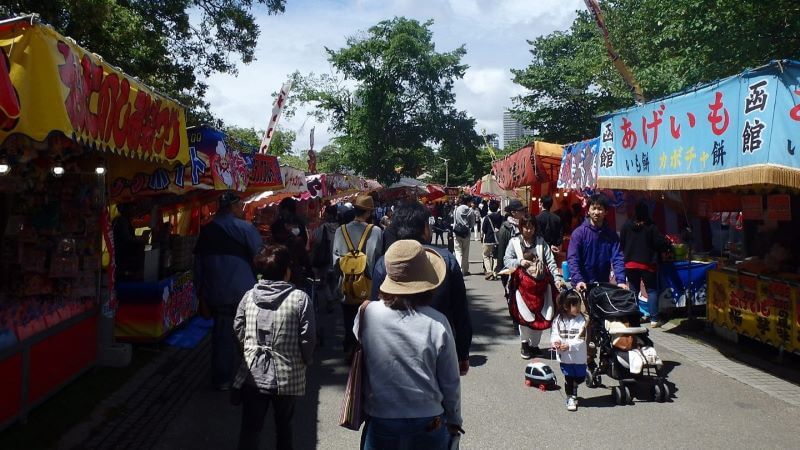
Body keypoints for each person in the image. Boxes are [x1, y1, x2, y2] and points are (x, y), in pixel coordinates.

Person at [357, 240, 463, 449]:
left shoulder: (367, 313)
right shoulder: (438, 321)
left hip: (381, 415)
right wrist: (454, 420)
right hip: (428, 417)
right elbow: (450, 381)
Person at [370, 202, 472, 376]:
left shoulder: (384, 262)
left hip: (394, 350)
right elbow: (460, 312)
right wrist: (462, 353)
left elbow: (374, 311)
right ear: (425, 228)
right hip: (437, 348)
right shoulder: (446, 260)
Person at [233, 244, 316, 450]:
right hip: (287, 373)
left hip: (253, 373)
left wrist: (247, 352)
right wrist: (305, 359)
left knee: (250, 429)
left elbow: (238, 329)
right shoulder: (300, 299)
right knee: (284, 427)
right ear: (287, 271)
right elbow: (308, 338)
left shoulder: (248, 296)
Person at [194, 192, 263, 390]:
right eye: (240, 205)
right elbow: (260, 257)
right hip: (244, 290)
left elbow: (197, 265)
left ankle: (222, 379)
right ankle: (253, 375)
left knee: (222, 335)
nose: (242, 209)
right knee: (249, 333)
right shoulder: (245, 228)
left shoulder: (206, 231)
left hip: (216, 292)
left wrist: (200, 292)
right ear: (233, 207)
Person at [504, 215, 565, 359]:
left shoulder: (541, 242)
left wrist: (557, 278)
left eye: (531, 227)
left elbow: (550, 261)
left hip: (541, 286)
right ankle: (525, 344)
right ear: (521, 227)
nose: (528, 230)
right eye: (526, 226)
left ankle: (534, 345)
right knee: (524, 317)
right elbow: (507, 260)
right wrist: (520, 261)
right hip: (522, 287)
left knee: (543, 315)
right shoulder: (514, 242)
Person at [333, 194, 384, 359]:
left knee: (348, 319)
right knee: (367, 321)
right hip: (369, 286)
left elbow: (335, 262)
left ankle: (349, 347)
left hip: (346, 285)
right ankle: (365, 352)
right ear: (368, 213)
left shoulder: (340, 231)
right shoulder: (376, 231)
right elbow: (379, 261)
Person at [620, 199, 671, 327]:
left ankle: (633, 318)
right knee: (652, 290)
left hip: (630, 263)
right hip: (647, 263)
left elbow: (622, 242)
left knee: (633, 290)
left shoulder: (626, 225)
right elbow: (660, 243)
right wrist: (668, 244)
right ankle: (654, 319)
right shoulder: (651, 226)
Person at [567, 193, 627, 293]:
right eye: (593, 208)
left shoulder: (611, 234)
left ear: (606, 212)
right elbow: (573, 258)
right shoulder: (579, 233)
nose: (596, 212)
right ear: (588, 211)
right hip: (583, 285)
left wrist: (621, 280)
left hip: (603, 284)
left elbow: (618, 257)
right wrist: (578, 280)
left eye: (600, 209)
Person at [550, 289, 587, 412]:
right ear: (566, 306)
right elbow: (554, 333)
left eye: (578, 304)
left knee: (581, 377)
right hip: (564, 357)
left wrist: (569, 345)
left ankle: (575, 385)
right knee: (568, 377)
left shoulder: (583, 320)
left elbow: (581, 339)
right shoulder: (559, 320)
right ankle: (570, 397)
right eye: (575, 305)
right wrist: (556, 342)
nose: (578, 307)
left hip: (579, 357)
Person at [310, 205, 340, 313]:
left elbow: (315, 239)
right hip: (337, 257)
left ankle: (330, 299)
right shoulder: (341, 227)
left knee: (324, 280)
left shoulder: (323, 227)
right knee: (334, 279)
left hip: (325, 257)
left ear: (328, 214)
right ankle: (333, 297)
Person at [494, 199, 526, 287]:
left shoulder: (525, 225)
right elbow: (501, 249)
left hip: (523, 264)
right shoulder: (505, 228)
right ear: (513, 212)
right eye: (521, 211)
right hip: (511, 264)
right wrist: (500, 268)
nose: (524, 212)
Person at [452, 195, 475, 275]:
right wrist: (469, 227)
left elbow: (454, 221)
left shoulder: (456, 209)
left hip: (457, 232)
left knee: (458, 251)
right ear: (468, 202)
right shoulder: (470, 210)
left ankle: (459, 269)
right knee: (465, 252)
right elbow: (472, 223)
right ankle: (465, 270)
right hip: (466, 232)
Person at [481, 200, 502, 280]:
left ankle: (489, 272)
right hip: (497, 240)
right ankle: (495, 272)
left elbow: (484, 229)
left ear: (489, 207)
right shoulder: (501, 217)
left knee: (486, 255)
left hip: (488, 239)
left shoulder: (487, 218)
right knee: (495, 256)